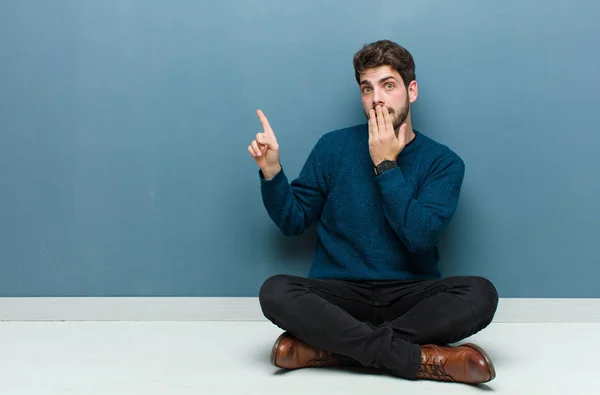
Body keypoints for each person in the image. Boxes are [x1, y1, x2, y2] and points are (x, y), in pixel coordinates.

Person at [247, 39, 499, 385]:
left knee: (481, 294)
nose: (376, 98)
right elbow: (293, 221)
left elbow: (419, 236)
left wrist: (385, 164)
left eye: (388, 85)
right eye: (367, 88)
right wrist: (272, 172)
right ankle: (418, 358)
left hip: (409, 297)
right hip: (339, 295)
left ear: (411, 91)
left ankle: (329, 349)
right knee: (275, 292)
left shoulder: (443, 163)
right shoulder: (332, 147)